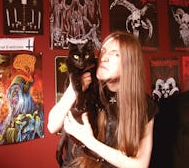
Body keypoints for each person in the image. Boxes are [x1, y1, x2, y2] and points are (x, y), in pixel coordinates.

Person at [48, 31, 158, 168]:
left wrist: (89, 141)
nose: (104, 57)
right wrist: (74, 89)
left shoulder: (145, 105)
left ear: (130, 63)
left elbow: (140, 165)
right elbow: (52, 126)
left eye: (115, 54)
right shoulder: (85, 86)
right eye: (104, 51)